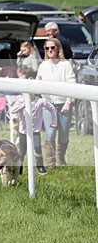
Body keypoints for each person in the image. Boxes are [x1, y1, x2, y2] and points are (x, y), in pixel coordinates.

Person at [8, 66, 56, 175]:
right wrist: (24, 103)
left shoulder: (40, 101)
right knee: (22, 151)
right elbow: (13, 110)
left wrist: (54, 121)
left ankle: (40, 166)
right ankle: (19, 167)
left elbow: (52, 108)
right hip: (23, 131)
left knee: (37, 147)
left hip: (35, 130)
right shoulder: (21, 99)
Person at [37, 37, 76, 167]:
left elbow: (72, 84)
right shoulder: (43, 66)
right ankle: (50, 163)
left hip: (63, 104)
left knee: (64, 135)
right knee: (50, 133)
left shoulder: (65, 65)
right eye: (47, 48)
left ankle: (61, 157)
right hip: (48, 105)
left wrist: (68, 102)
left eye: (52, 47)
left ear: (58, 49)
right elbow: (38, 83)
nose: (50, 50)